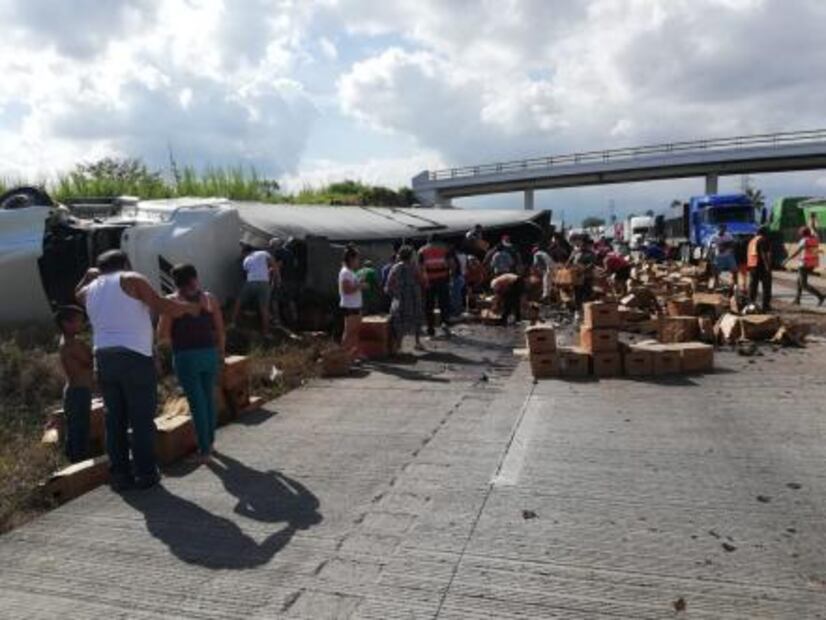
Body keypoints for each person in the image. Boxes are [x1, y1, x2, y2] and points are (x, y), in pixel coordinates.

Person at [75, 250, 202, 491]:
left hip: (103, 358)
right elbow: (161, 305)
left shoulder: (89, 290)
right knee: (141, 419)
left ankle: (120, 475)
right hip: (133, 357)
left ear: (100, 269)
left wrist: (87, 274)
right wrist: (188, 309)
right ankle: (146, 474)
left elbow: (76, 292)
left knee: (115, 420)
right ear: (124, 263)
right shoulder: (131, 279)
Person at [157, 264, 225, 464]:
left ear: (174, 280)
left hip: (186, 357)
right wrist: (221, 352)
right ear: (195, 276)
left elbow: (162, 336)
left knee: (196, 404)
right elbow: (220, 330)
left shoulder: (171, 302)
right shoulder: (209, 298)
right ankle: (210, 443)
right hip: (210, 353)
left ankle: (204, 451)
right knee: (208, 399)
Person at [56, 305, 93, 463]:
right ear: (66, 323)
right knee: (79, 431)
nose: (82, 324)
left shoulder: (72, 341)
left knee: (76, 429)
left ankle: (75, 461)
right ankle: (80, 465)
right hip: (78, 392)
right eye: (79, 321)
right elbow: (90, 361)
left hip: (78, 391)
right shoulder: (71, 344)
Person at [385, 246, 425, 352]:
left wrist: (394, 295)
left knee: (399, 322)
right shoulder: (414, 267)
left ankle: (398, 345)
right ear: (410, 256)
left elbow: (388, 285)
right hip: (414, 297)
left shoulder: (395, 268)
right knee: (417, 319)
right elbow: (421, 279)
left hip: (400, 298)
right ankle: (417, 342)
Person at [230, 244, 275, 336]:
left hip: (251, 282)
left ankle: (233, 323)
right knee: (264, 308)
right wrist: (277, 278)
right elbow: (273, 264)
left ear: (245, 252)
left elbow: (247, 272)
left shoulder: (246, 259)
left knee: (239, 302)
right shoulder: (264, 253)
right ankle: (266, 332)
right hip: (263, 282)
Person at [418, 235, 453, 337]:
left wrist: (423, 282)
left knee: (429, 306)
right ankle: (444, 324)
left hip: (429, 282)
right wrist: (450, 276)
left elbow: (420, 268)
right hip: (443, 281)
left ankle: (430, 329)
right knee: (444, 304)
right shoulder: (445, 249)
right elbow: (452, 264)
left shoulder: (422, 250)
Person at [784, 226, 824, 306]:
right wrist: (812, 223)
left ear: (803, 234)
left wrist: (787, 260)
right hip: (812, 263)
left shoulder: (804, 240)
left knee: (803, 284)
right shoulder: (815, 238)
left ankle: (820, 296)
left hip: (804, 264)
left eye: (800, 232)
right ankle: (797, 299)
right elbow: (815, 231)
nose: (800, 234)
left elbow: (797, 252)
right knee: (799, 282)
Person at [339, 246, 365, 360]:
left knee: (354, 332)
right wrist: (360, 285)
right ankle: (342, 357)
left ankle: (352, 355)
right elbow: (346, 290)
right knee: (349, 333)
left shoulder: (350, 272)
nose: (358, 261)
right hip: (350, 306)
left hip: (355, 306)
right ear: (351, 259)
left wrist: (358, 283)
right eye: (357, 259)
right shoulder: (345, 272)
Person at [747, 225, 773, 311]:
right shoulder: (763, 240)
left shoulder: (752, 240)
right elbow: (764, 254)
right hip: (761, 266)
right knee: (766, 287)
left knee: (753, 286)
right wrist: (767, 267)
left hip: (752, 266)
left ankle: (751, 304)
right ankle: (765, 306)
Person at [707, 224, 737, 290]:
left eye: (724, 229)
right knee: (716, 270)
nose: (723, 230)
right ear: (719, 229)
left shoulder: (728, 235)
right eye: (721, 229)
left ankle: (734, 283)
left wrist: (723, 246)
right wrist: (710, 256)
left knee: (734, 269)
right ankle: (716, 283)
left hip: (728, 255)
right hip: (718, 256)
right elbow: (710, 247)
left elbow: (732, 244)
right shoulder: (714, 237)